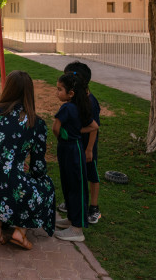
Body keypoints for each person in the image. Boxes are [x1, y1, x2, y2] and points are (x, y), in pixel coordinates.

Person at [0, 70, 56, 250]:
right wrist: (19, 167)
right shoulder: (36, 123)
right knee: (45, 186)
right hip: (12, 186)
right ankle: (20, 231)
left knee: (3, 180)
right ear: (29, 92)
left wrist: (7, 162)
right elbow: (38, 167)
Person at [52, 73, 99, 242]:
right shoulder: (80, 106)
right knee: (69, 184)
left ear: (71, 93)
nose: (57, 92)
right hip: (72, 148)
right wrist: (76, 132)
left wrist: (64, 136)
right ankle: (72, 219)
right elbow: (94, 126)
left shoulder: (67, 108)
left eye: (59, 89)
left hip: (70, 149)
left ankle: (77, 229)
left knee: (76, 186)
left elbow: (55, 128)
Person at [60, 62, 102, 225]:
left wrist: (90, 149)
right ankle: (75, 204)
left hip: (87, 146)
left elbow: (94, 128)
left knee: (91, 175)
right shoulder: (75, 100)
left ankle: (94, 208)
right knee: (76, 175)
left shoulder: (91, 102)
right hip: (75, 145)